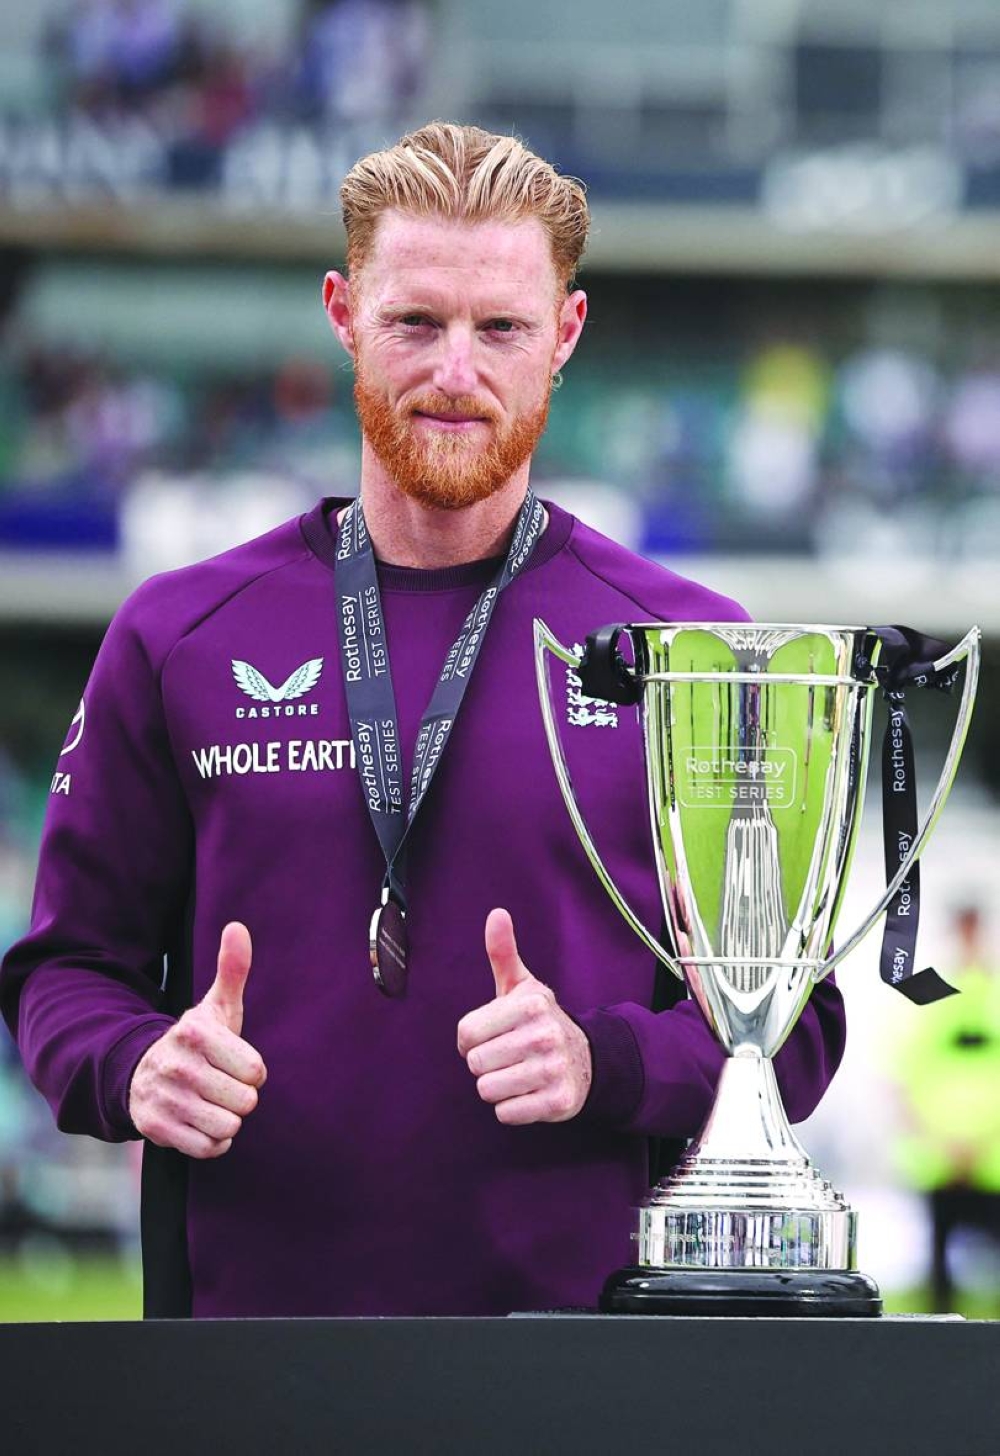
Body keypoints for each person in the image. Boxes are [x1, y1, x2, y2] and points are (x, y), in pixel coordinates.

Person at [0, 122, 846, 1318]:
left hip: (589, 1357)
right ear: (343, 314)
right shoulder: (178, 634)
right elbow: (65, 971)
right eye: (414, 321)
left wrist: (604, 1060)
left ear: (564, 333)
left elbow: (795, 1026)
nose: (455, 370)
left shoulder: (689, 651)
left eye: (500, 327)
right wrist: (135, 1064)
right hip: (242, 1361)